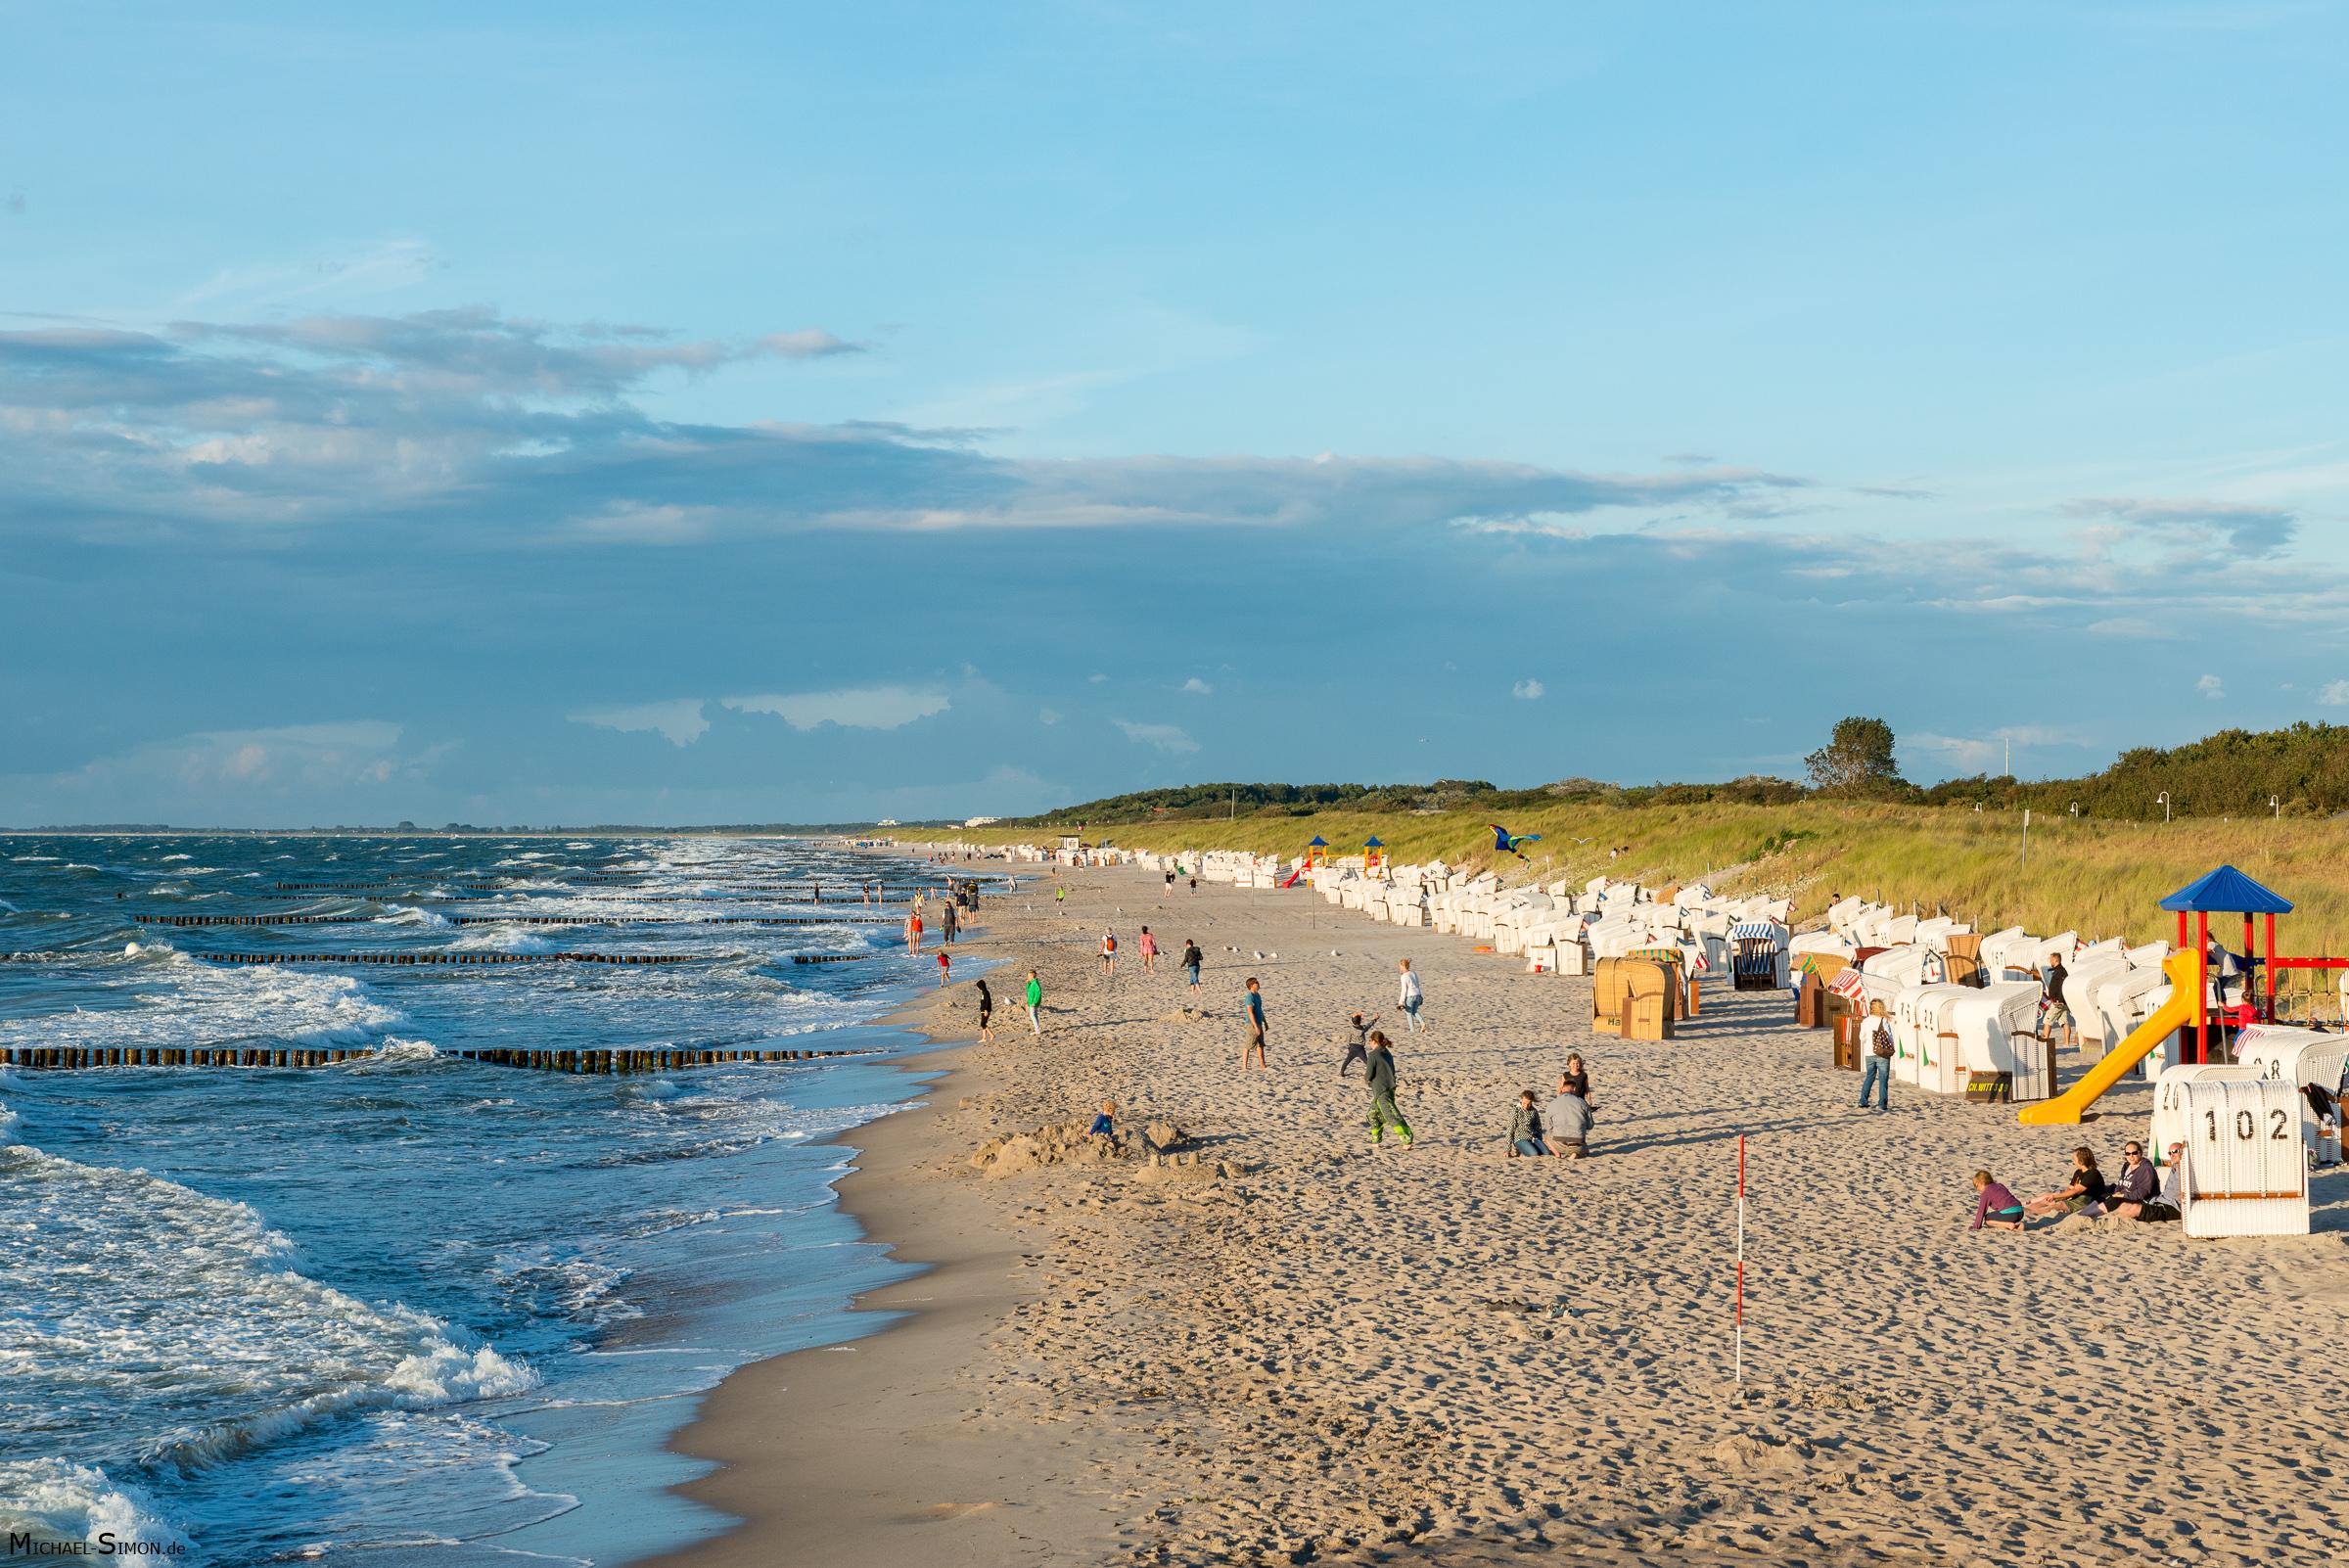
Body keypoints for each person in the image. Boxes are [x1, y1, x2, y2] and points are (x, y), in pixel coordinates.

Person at [2023, 1146, 2108, 1219]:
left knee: (2059, 1204)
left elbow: (2075, 1191)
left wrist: (2056, 1196)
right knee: (2047, 1197)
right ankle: (2025, 1206)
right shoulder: (2078, 1172)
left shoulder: (2092, 1173)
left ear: (2081, 1161)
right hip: (2077, 1196)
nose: (2073, 1161)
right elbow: (2070, 1189)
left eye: (2074, 1159)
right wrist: (2057, 1196)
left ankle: (2031, 1211)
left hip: (2087, 1200)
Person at [1364, 1030, 1410, 1146]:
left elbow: (1369, 1074)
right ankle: (1376, 1140)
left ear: (1374, 1041)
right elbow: (1392, 1070)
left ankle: (1407, 1139)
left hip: (1382, 1090)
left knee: (1391, 1115)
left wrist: (1367, 1080)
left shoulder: (1373, 1055)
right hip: (1389, 1088)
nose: (1369, 1043)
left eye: (1370, 1040)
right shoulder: (1387, 1053)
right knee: (1373, 1114)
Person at [2104, 1139, 2160, 1220]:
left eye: (2134, 1153)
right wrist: (2117, 1194)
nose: (2131, 1156)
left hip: (2141, 1201)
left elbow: (2143, 1193)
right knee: (2102, 1196)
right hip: (2126, 1196)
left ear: (2140, 1153)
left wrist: (2122, 1195)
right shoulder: (2126, 1165)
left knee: (2112, 1202)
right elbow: (2120, 1184)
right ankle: (2084, 1215)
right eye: (2128, 1154)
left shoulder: (2146, 1168)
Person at [2137, 1142, 2186, 1222]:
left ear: (2182, 1151)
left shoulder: (2184, 1170)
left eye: (2175, 1151)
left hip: (2173, 1206)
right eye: (2170, 1153)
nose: (2172, 1155)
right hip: (2163, 1200)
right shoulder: (2175, 1167)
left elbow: (2176, 1193)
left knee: (2138, 1210)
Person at [1543, 1081, 1591, 1158]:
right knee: (1584, 1149)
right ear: (1574, 1089)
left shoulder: (1552, 1103)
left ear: (1561, 1089)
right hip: (1577, 1143)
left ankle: (1557, 1154)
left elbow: (1548, 1126)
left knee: (1546, 1137)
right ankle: (1575, 1153)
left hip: (1559, 1145)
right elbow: (1590, 1125)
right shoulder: (1582, 1102)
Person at [1860, 1004, 1893, 1112]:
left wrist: (1868, 1042)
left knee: (1870, 1077)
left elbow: (1861, 1037)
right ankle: (1882, 1105)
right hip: (1882, 1052)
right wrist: (1892, 1049)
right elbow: (1889, 1036)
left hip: (1869, 1053)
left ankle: (1863, 1101)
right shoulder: (1883, 1020)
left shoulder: (1865, 1021)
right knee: (1883, 1079)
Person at [1340, 1011, 1379, 1078]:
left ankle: (1342, 1072)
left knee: (1347, 1061)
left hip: (1352, 1048)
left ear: (1352, 1021)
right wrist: (1375, 1019)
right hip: (1360, 1049)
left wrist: (1348, 1047)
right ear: (1360, 1021)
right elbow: (1369, 1025)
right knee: (1367, 1062)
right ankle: (1373, 1072)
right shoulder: (1363, 1028)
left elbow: (1348, 1039)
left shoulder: (1350, 1029)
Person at [1508, 1089, 1545, 1157]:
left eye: (1529, 1104)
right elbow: (1510, 1129)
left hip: (1533, 1137)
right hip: (1520, 1138)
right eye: (1524, 1103)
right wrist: (1507, 1149)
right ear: (1521, 1100)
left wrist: (1540, 1141)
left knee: (1546, 1153)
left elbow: (1538, 1128)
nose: (1526, 1106)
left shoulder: (1534, 1111)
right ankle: (1519, 1149)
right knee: (1534, 1154)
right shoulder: (1515, 1110)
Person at [1242, 977, 1268, 1069]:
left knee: (1260, 1045)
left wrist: (1265, 1022)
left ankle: (1262, 1065)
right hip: (1252, 1024)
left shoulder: (1257, 995)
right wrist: (1255, 1026)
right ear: (1251, 985)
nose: (1258, 984)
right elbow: (1250, 1012)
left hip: (1259, 1022)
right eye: (1256, 983)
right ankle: (1244, 1067)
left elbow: (1260, 1010)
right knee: (1248, 1045)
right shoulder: (1249, 997)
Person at [1397, 958, 1425, 1032]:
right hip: (1418, 995)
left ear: (1403, 966)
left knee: (1408, 1012)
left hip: (1410, 996)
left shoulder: (1403, 976)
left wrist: (1401, 1002)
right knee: (1414, 1011)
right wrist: (1420, 996)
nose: (1399, 968)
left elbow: (1404, 990)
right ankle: (1422, 1023)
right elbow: (1417, 984)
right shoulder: (1413, 973)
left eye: (1400, 966)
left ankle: (1412, 1030)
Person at [1024, 969, 1043, 1038]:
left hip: (1034, 1002)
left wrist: (1035, 1002)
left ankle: (1037, 1030)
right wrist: (1028, 983)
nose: (1027, 977)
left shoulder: (1035, 983)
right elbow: (1029, 991)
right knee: (1035, 1015)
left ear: (1032, 976)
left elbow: (1038, 993)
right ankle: (1037, 1029)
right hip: (1031, 1001)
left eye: (1028, 976)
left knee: (1032, 1015)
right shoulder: (1032, 982)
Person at [975, 978, 994, 1044]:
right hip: (983, 1010)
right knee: (983, 1024)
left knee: (982, 1024)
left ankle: (991, 1035)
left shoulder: (986, 992)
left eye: (978, 987)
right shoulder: (983, 992)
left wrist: (986, 1010)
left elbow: (988, 1001)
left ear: (981, 986)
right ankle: (984, 1038)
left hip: (986, 1010)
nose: (977, 988)